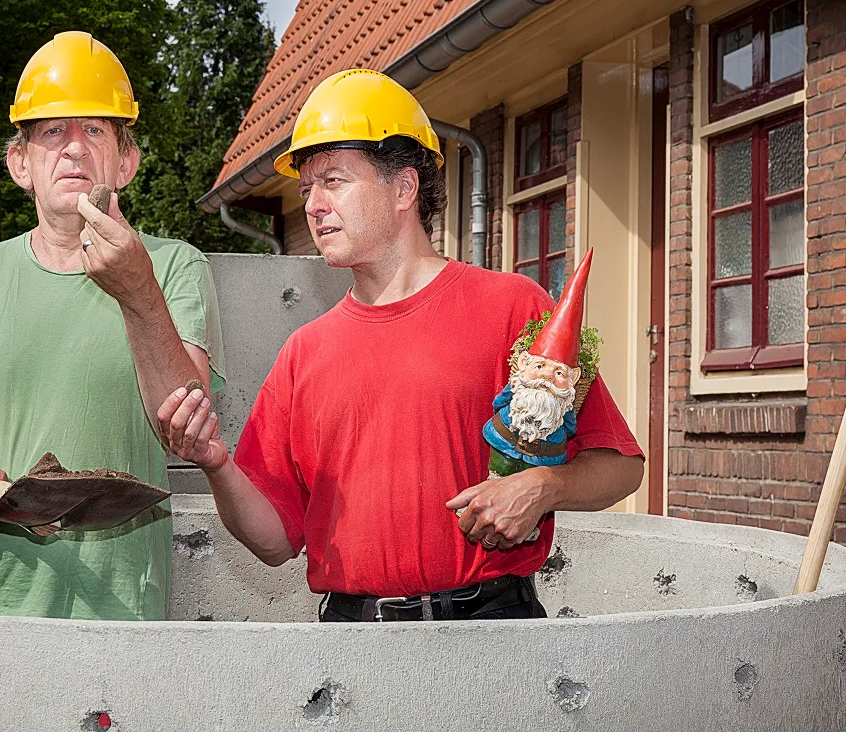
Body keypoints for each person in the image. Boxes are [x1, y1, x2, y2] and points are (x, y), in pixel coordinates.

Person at [158, 69, 641, 622]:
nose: (313, 205)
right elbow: (272, 544)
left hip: (493, 634)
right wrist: (217, 466)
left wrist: (543, 486)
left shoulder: (513, 307)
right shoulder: (302, 353)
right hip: (352, 644)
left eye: (334, 181)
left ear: (404, 188)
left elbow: (621, 468)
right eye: (306, 188)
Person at [0, 31, 224, 620]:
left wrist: (137, 286)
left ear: (127, 160)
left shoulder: (173, 268)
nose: (74, 149)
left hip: (121, 618)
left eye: (95, 130)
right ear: (21, 163)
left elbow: (183, 430)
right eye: (52, 132)